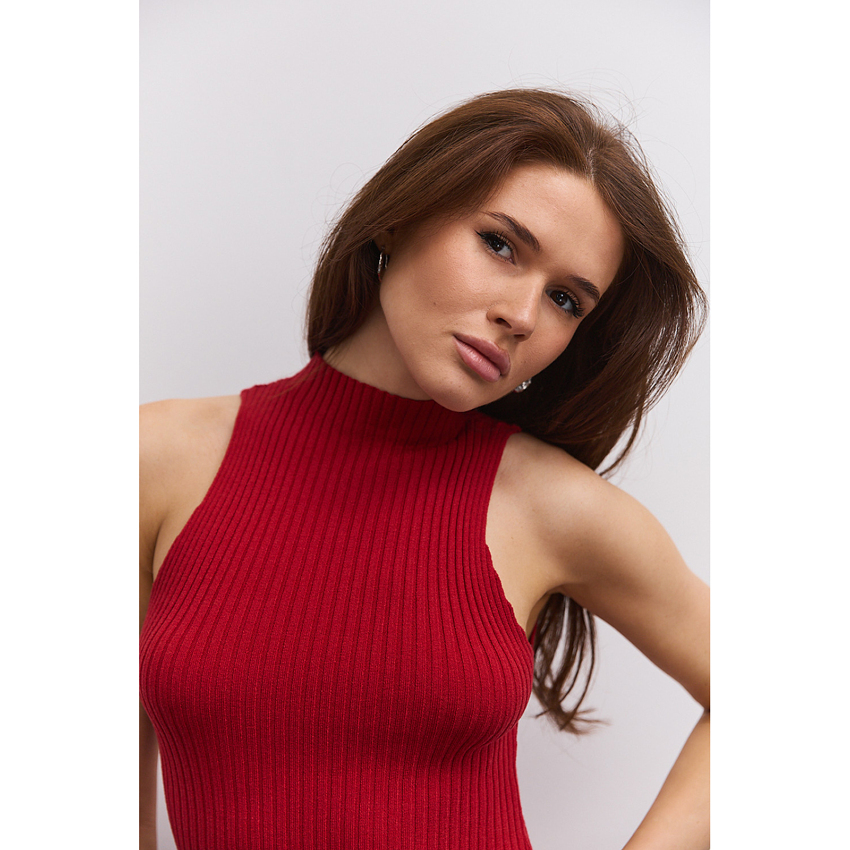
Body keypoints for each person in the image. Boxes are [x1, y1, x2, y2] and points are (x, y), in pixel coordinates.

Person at [140, 88, 709, 849]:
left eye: (566, 300)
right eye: (501, 245)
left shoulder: (553, 507)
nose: (523, 316)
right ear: (400, 215)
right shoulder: (156, 458)